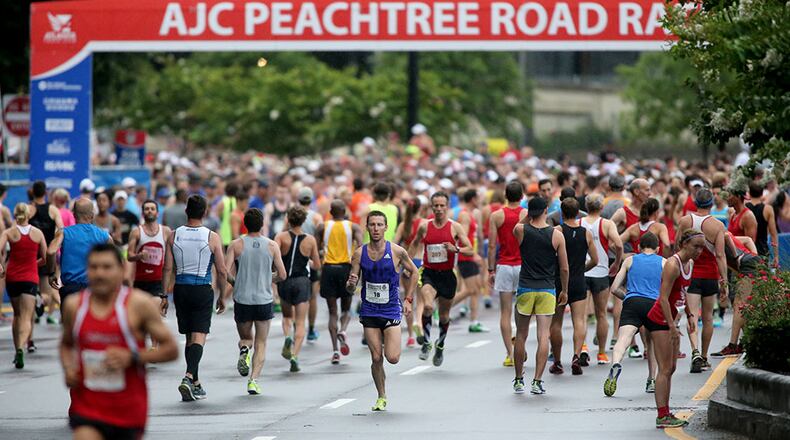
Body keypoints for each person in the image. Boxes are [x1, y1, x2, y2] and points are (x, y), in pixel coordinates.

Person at [60, 244, 178, 439]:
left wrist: (132, 356)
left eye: (107, 267)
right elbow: (66, 343)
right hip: (88, 406)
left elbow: (171, 349)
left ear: (121, 269)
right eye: (94, 267)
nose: (99, 273)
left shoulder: (138, 304)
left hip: (127, 409)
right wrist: (68, 369)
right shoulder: (75, 305)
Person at [346, 210, 419, 411]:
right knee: (376, 358)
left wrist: (409, 298)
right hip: (369, 311)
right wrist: (351, 284)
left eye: (380, 225)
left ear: (386, 227)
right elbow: (351, 286)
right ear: (367, 227)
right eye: (372, 225)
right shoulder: (359, 253)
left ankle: (389, 341)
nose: (376, 229)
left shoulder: (396, 251)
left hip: (391, 310)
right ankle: (381, 396)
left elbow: (413, 272)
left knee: (393, 358)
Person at [163, 195, 228, 402]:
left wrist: (164, 295)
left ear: (186, 212)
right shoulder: (212, 236)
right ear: (205, 212)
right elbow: (222, 270)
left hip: (180, 289)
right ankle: (188, 376)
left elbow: (167, 268)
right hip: (201, 288)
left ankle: (196, 383)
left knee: (190, 337)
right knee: (200, 335)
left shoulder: (173, 235)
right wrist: (222, 295)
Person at [221, 208, 287, 394]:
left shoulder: (236, 245)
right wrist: (268, 277)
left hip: (242, 299)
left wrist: (236, 282)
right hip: (263, 299)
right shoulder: (272, 245)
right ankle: (253, 380)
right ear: (262, 225)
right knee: (261, 342)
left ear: (245, 224)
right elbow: (282, 274)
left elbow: (225, 271)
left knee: (245, 338)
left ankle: (244, 351)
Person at [646, 229, 704, 429]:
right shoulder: (672, 264)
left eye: (702, 247)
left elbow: (682, 292)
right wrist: (671, 325)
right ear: (684, 244)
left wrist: (689, 314)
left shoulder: (691, 263)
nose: (699, 251)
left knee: (671, 368)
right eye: (696, 246)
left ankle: (666, 412)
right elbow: (662, 297)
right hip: (660, 320)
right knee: (664, 369)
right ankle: (662, 415)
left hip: (673, 319)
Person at [512, 196, 568, 394]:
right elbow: (564, 268)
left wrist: (529, 215)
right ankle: (537, 381)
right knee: (544, 336)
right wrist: (565, 290)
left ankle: (519, 379)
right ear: (546, 210)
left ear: (529, 211)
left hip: (526, 287)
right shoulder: (556, 235)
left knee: (521, 334)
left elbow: (519, 225)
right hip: (547, 289)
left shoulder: (521, 230)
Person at [409, 192, 473, 366]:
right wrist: (408, 263)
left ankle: (440, 345)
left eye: (441, 205)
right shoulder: (424, 226)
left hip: (447, 275)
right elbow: (415, 243)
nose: (438, 209)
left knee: (444, 316)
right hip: (429, 272)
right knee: (428, 306)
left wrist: (456, 249)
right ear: (431, 207)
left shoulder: (455, 227)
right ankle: (427, 343)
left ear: (446, 207)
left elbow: (470, 249)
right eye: (435, 205)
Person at [604, 232, 664, 397]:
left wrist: (628, 296)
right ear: (658, 249)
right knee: (651, 343)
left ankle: (616, 363)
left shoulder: (630, 260)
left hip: (632, 302)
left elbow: (615, 288)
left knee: (623, 339)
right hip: (653, 304)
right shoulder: (664, 262)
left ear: (638, 247)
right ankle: (651, 380)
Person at [676, 188, 729, 374]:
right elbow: (721, 255)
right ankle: (704, 357)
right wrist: (725, 281)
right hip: (710, 275)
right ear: (711, 203)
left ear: (695, 202)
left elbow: (677, 246)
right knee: (707, 318)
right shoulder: (717, 226)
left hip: (691, 274)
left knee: (692, 316)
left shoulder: (685, 221)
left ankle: (695, 351)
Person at [548, 198, 598, 376]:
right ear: (578, 213)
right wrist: (581, 269)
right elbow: (595, 260)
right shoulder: (586, 233)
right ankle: (576, 356)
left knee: (556, 323)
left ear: (561, 213)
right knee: (579, 321)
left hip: (559, 281)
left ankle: (558, 361)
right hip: (578, 280)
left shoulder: (557, 231)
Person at [316, 200, 363, 364]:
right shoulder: (353, 227)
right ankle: (343, 330)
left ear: (330, 211)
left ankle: (335, 350)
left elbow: (316, 248)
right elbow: (361, 247)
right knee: (346, 310)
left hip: (328, 269)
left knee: (332, 312)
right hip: (346, 268)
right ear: (345, 210)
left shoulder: (322, 227)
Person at [275, 206, 321, 373]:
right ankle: (294, 354)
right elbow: (317, 265)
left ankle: (287, 337)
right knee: (300, 322)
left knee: (287, 317)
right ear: (303, 221)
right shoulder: (310, 240)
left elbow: (274, 257)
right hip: (302, 282)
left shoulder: (280, 237)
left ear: (288, 219)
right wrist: (307, 262)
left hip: (285, 280)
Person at [0, 204, 47, 369]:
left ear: (15, 214)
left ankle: (17, 349)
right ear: (28, 215)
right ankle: (21, 348)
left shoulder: (9, 232)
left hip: (12, 277)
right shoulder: (37, 233)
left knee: (17, 315)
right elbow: (45, 257)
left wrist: (1, 265)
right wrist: (33, 263)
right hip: (30, 277)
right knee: (27, 317)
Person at [580, 194, 623, 363]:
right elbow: (619, 245)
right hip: (601, 272)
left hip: (583, 272)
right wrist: (617, 263)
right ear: (602, 208)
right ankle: (602, 353)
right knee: (602, 314)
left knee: (581, 315)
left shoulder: (579, 223)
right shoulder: (607, 224)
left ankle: (582, 347)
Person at [488, 181, 527, 367]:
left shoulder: (496, 216)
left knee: (505, 312)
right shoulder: (525, 214)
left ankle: (510, 354)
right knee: (523, 310)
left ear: (505, 195)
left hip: (504, 265)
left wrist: (490, 269)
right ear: (521, 196)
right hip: (522, 265)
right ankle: (520, 345)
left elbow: (492, 245)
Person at [49, 199, 114, 302]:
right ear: (92, 215)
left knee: (70, 318)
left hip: (71, 289)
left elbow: (51, 251)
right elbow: (114, 260)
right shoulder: (104, 236)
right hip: (94, 288)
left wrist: (51, 273)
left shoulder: (63, 233)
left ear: (74, 215)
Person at [28, 180, 65, 339]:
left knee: (30, 289)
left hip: (31, 254)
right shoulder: (52, 209)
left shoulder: (29, 209)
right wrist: (54, 244)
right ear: (45, 193)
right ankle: (42, 299)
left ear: (33, 192)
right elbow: (61, 228)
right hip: (47, 253)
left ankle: (36, 298)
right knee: (49, 291)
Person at [452, 189, 488, 333]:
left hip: (469, 256)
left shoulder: (470, 214)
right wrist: (472, 255)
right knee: (471, 290)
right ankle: (442, 307)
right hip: (465, 257)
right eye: (478, 198)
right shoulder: (465, 216)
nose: (479, 200)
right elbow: (462, 237)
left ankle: (474, 321)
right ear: (473, 199)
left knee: (475, 290)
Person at [127, 200, 171, 314]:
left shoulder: (166, 231)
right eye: (147, 209)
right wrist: (139, 256)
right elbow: (129, 255)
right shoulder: (136, 232)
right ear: (142, 213)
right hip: (140, 282)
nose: (149, 211)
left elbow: (172, 257)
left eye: (152, 209)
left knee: (156, 313)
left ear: (157, 213)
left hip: (158, 282)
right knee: (140, 319)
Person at [393, 196, 424, 347]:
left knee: (408, 298)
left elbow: (394, 243)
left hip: (407, 264)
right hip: (421, 262)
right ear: (420, 208)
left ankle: (411, 335)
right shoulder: (424, 224)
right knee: (421, 299)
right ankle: (420, 323)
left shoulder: (403, 225)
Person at [297, 187, 322, 342]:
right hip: (312, 259)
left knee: (296, 298)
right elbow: (322, 236)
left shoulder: (292, 215)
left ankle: (296, 327)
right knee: (312, 297)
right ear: (311, 200)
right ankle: (311, 329)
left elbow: (282, 233)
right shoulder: (316, 217)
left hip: (295, 260)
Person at [746, 182, 779, 266]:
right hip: (762, 249)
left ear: (749, 193)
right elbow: (773, 233)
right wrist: (776, 256)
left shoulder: (744, 207)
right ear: (762, 194)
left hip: (746, 249)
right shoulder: (768, 209)